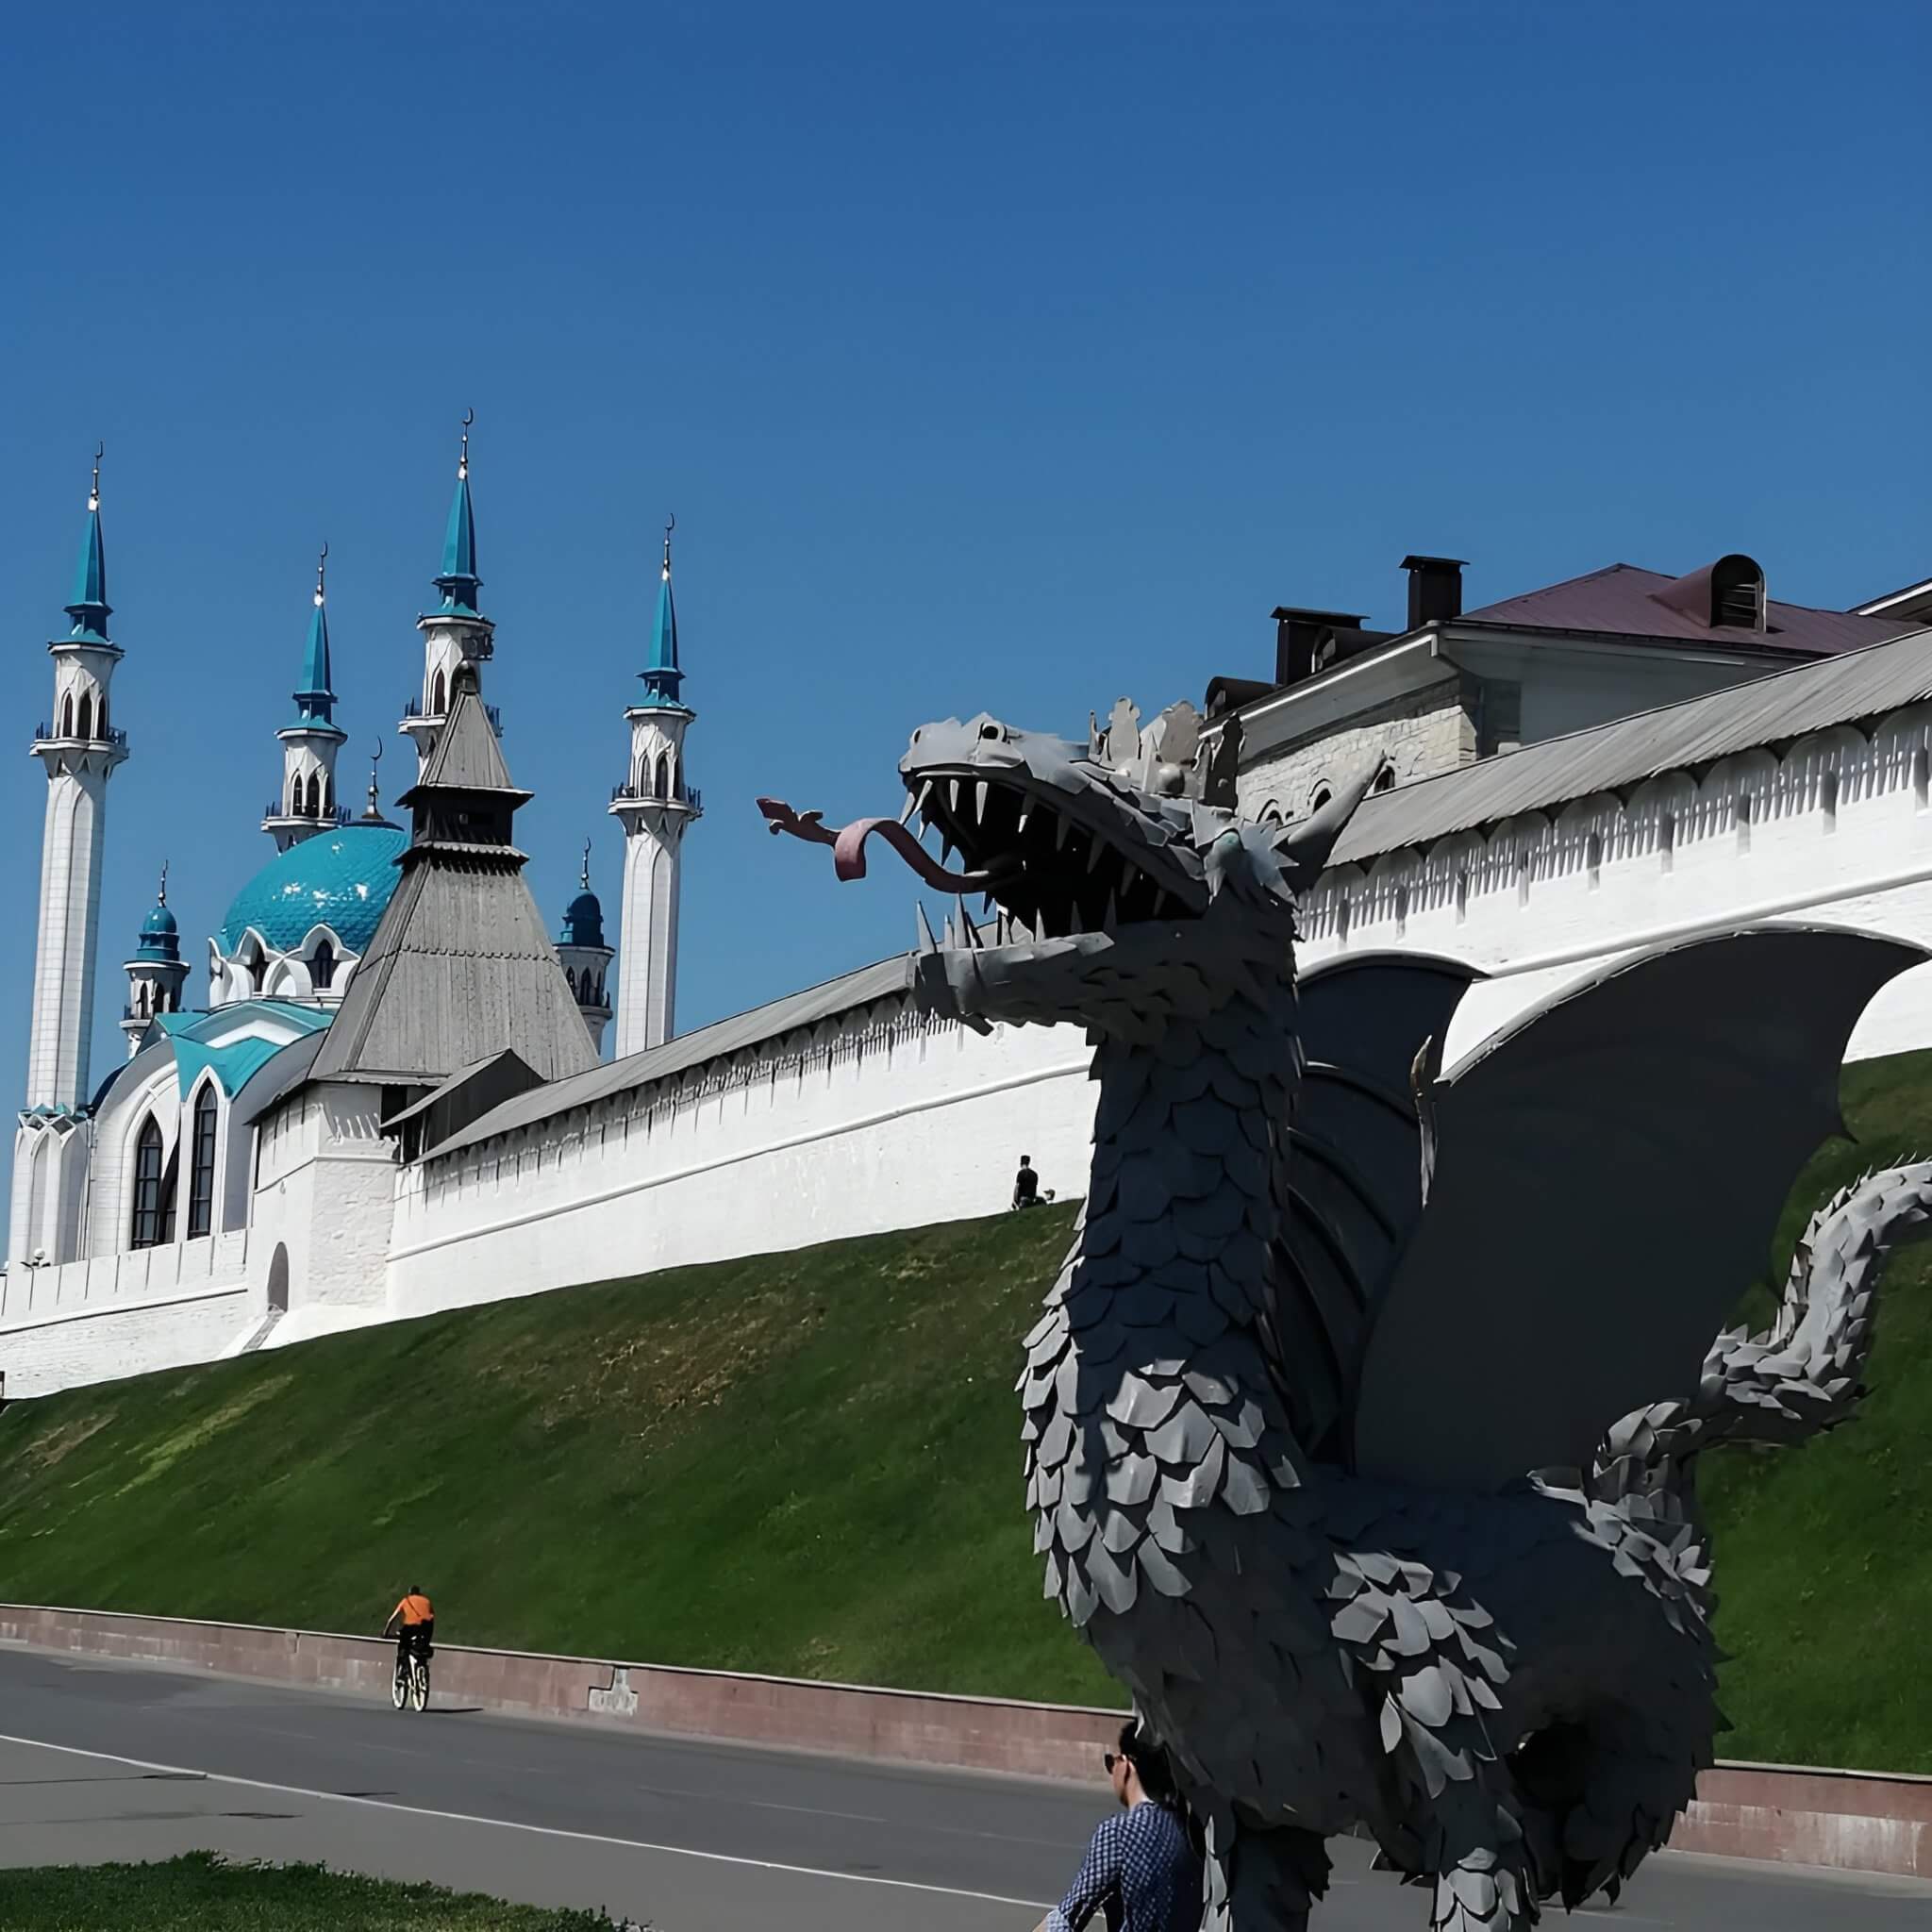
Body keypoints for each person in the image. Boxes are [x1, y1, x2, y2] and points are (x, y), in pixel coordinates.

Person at [1038, 1720, 1203, 1932]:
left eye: (1111, 1762)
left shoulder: (1120, 1833)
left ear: (1126, 1765)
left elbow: (1069, 1917)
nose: (1111, 1770)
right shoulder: (1189, 1831)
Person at [383, 1584, 435, 1674]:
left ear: (410, 1593)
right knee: (423, 1648)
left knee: (403, 1646)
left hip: (410, 1628)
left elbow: (392, 1619)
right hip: (425, 1629)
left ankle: (402, 1667)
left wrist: (385, 1633)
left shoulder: (406, 1601)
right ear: (419, 1593)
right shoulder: (427, 1601)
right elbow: (432, 1617)